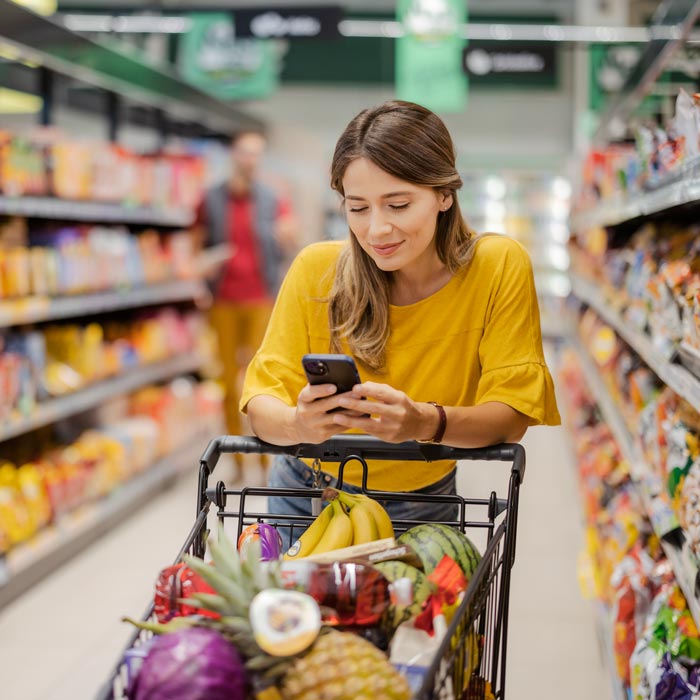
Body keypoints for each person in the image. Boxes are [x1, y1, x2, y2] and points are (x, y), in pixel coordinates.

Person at [240, 100, 560, 543]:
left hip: (423, 498)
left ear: (444, 194)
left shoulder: (496, 266)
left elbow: (512, 415)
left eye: (398, 204)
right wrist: (300, 425)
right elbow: (261, 404)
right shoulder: (317, 270)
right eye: (358, 208)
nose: (377, 230)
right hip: (305, 492)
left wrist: (422, 423)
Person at [199, 130, 298, 454]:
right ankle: (236, 454)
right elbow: (195, 242)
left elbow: (289, 239)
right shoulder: (212, 198)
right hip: (223, 300)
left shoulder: (272, 198)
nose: (250, 160)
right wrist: (203, 265)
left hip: (261, 300)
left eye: (256, 153)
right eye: (244, 152)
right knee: (227, 381)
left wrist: (286, 238)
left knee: (262, 382)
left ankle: (265, 455)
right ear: (233, 156)